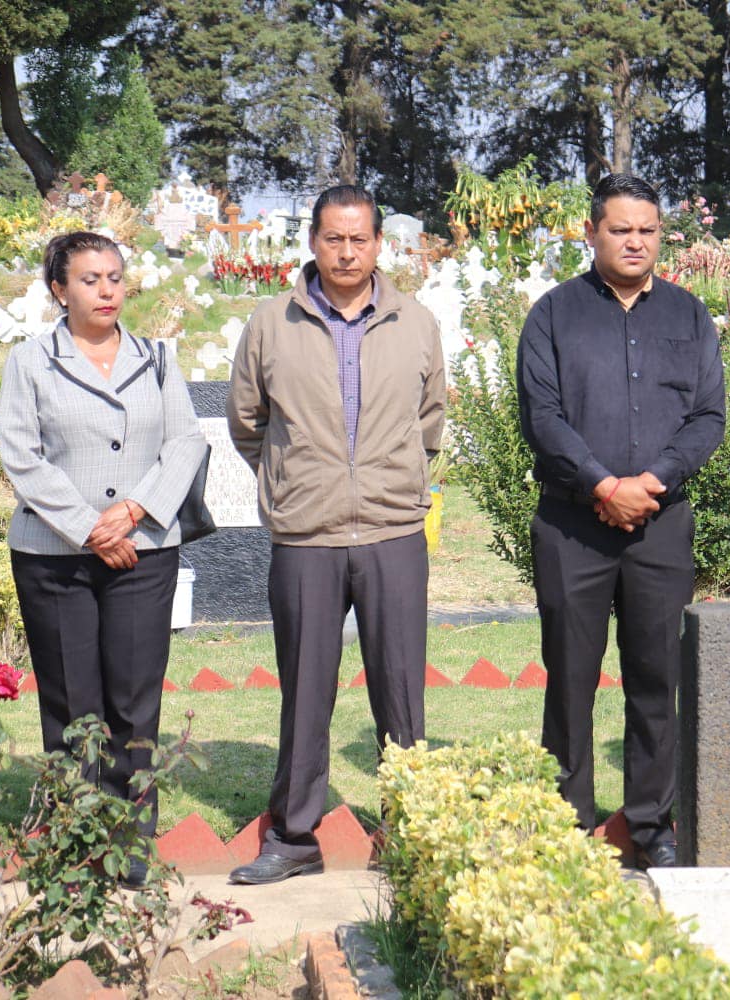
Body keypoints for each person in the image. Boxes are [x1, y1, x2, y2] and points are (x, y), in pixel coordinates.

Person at [226, 185, 446, 885]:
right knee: (306, 685)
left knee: (401, 687)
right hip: (307, 535)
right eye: (333, 239)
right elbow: (246, 422)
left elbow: (430, 420)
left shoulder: (416, 323)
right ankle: (293, 835)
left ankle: (411, 827)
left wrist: (393, 479)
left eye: (359, 239)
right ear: (313, 242)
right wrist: (296, 480)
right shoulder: (271, 322)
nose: (346, 252)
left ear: (380, 244)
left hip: (391, 531)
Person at [516, 173, 724, 869]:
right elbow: (542, 418)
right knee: (570, 677)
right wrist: (603, 483)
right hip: (574, 524)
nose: (635, 241)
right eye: (620, 229)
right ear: (591, 233)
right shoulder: (553, 315)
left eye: (647, 230)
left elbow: (707, 419)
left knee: (654, 676)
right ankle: (566, 822)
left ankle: (651, 825)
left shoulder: (689, 317)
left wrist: (651, 481)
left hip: (661, 526)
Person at [0, 231, 206, 887]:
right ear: (59, 289)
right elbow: (21, 456)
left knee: (133, 703)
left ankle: (127, 848)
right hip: (53, 559)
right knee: (70, 706)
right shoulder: (30, 363)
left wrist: (137, 511)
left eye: (115, 276)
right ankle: (72, 840)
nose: (107, 289)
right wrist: (91, 528)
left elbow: (186, 442)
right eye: (90, 279)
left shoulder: (159, 359)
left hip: (143, 557)